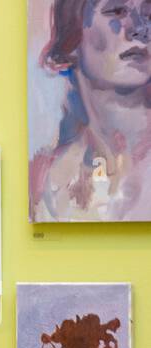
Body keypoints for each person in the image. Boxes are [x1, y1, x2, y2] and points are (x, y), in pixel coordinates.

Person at [31, 0, 151, 221]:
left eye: (150, 15)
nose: (140, 29)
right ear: (73, 34)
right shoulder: (49, 181)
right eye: (117, 11)